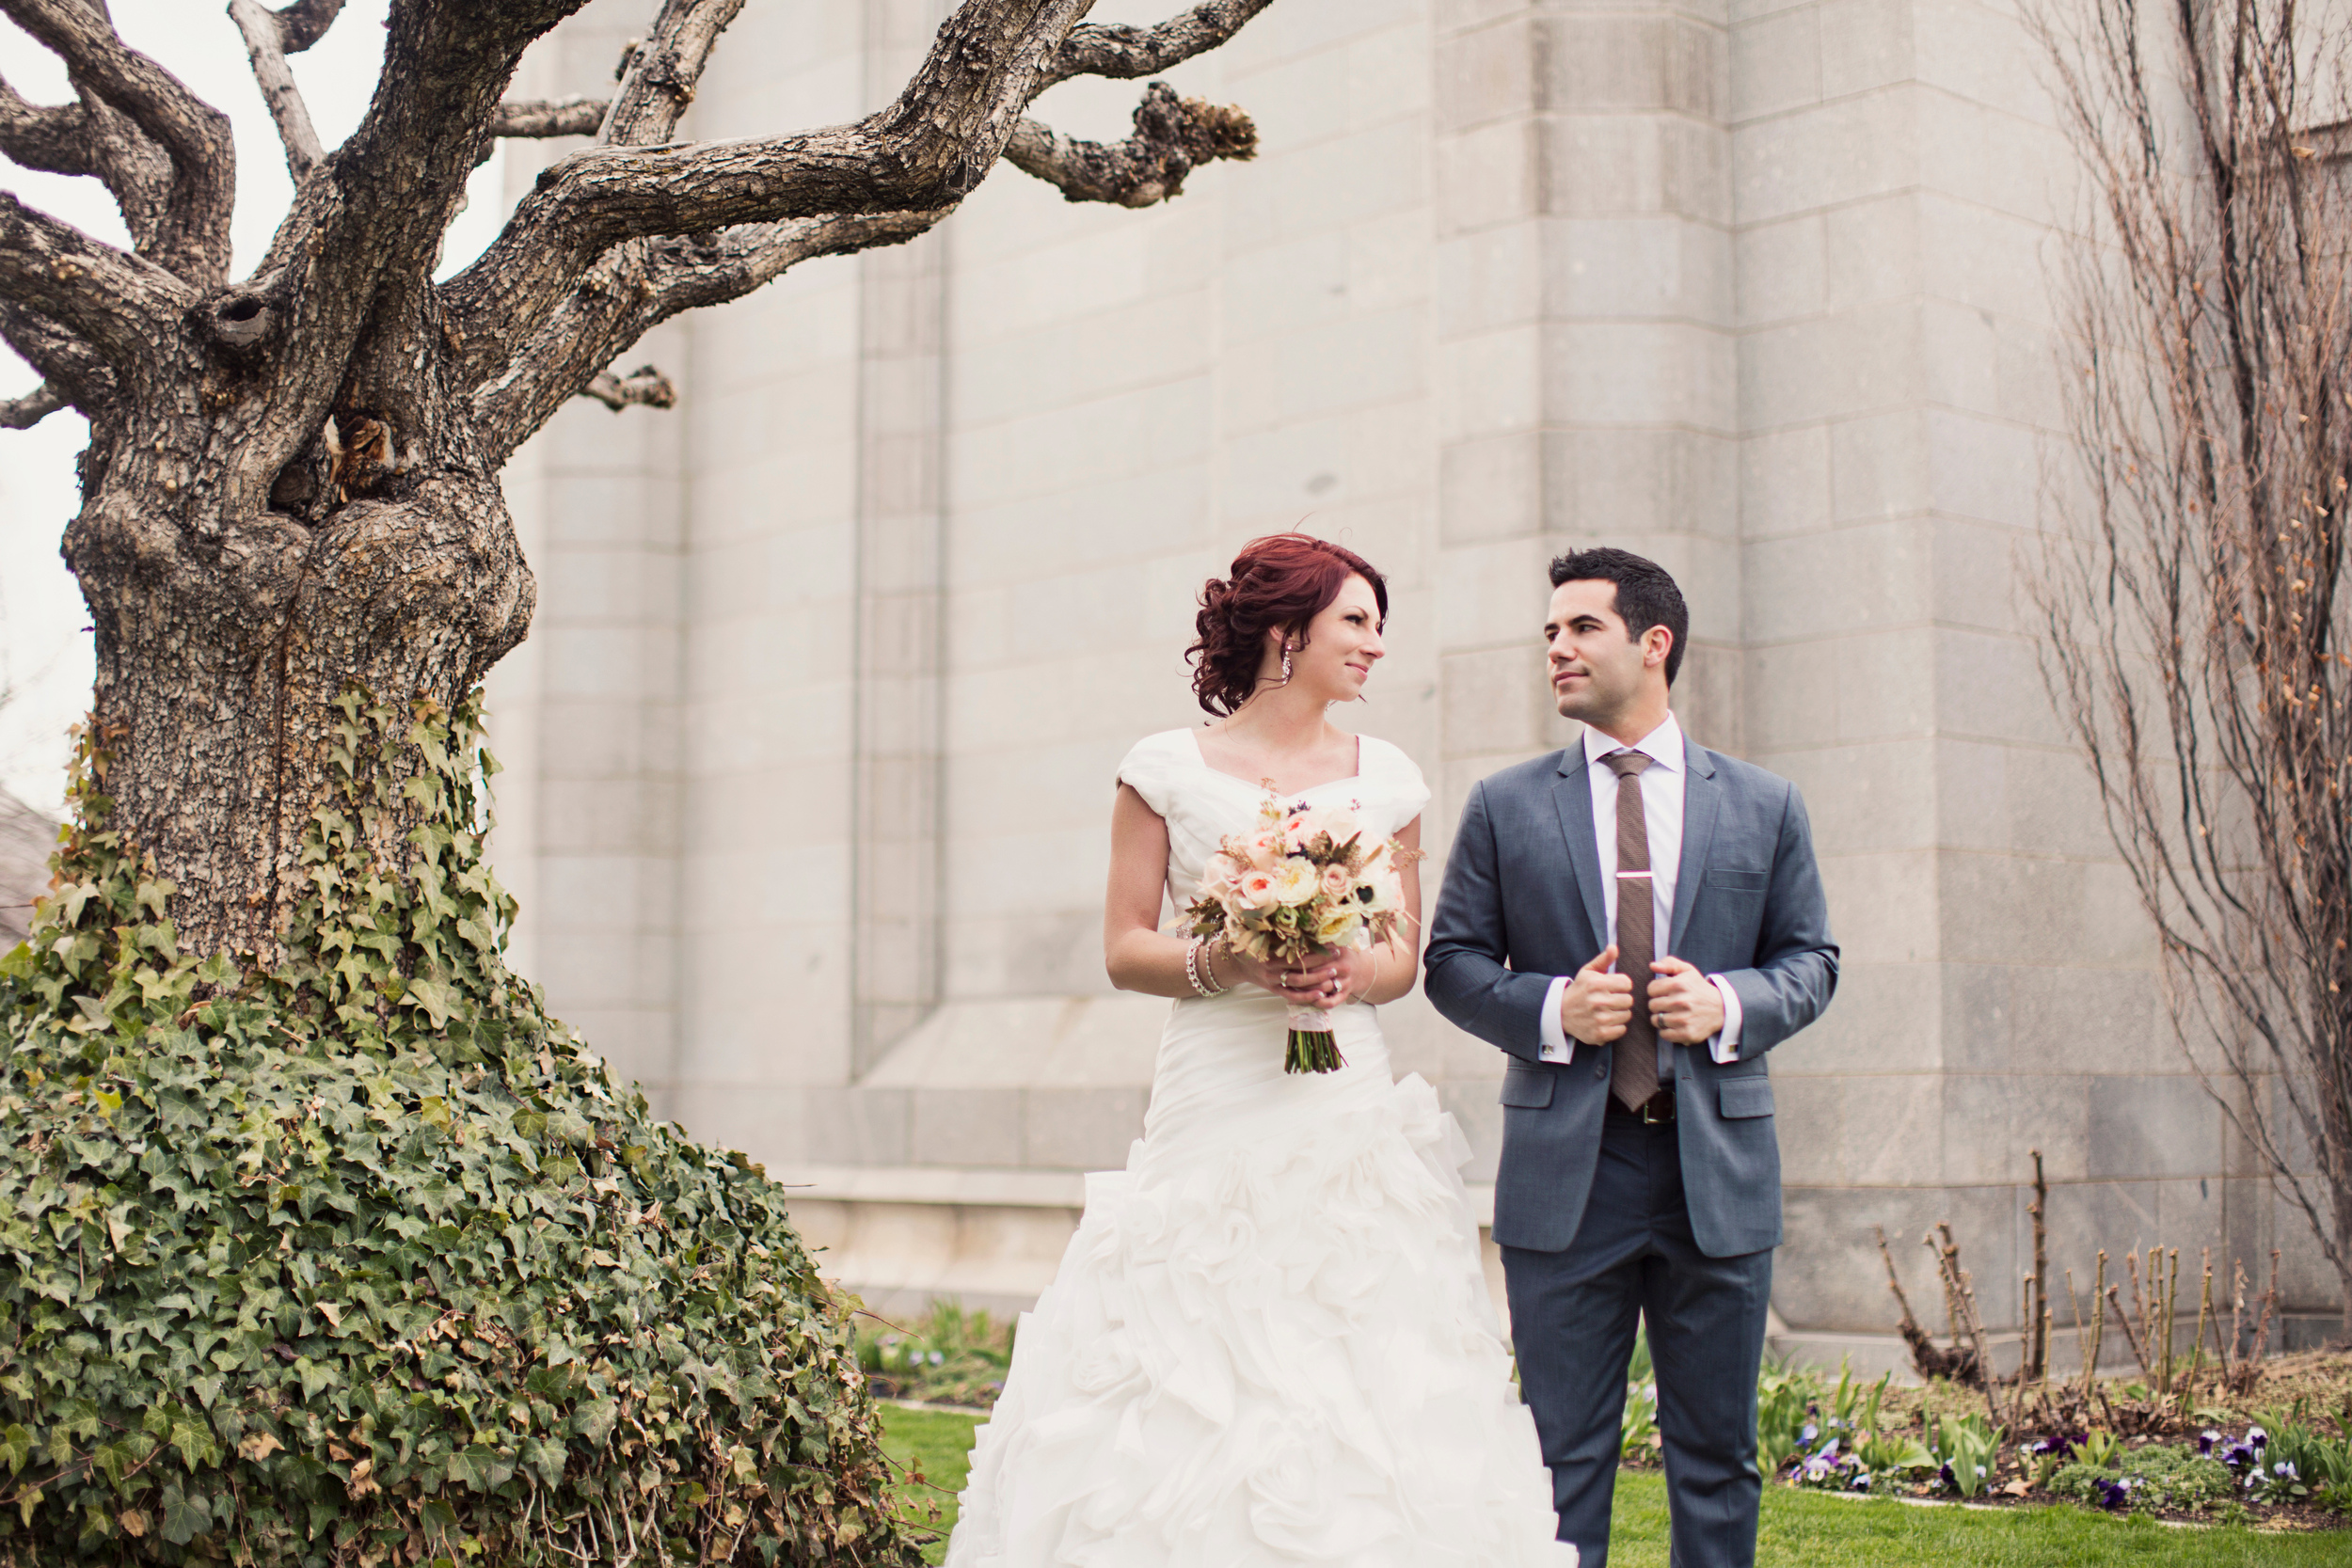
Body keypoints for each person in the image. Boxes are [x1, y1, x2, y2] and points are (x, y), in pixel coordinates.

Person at [947, 533, 1573, 1567]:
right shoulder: (1163, 769)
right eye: (1356, 622)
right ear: (1288, 631)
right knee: (1190, 1312)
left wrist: (1344, 974)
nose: (1376, 645)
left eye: (1379, 625)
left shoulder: (1391, 778)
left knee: (1355, 1326)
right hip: (1218, 1082)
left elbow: (1399, 954)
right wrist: (1230, 959)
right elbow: (1124, 947)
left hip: (1344, 1094)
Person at [1423, 548, 1838, 1568]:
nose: (1555, 648)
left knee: (1717, 1455)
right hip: (1571, 1171)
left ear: (1653, 644)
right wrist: (1559, 1004)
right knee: (1558, 1458)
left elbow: (1811, 960)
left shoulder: (1764, 803)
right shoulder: (1505, 803)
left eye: (1579, 628)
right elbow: (1450, 964)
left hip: (1718, 1169)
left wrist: (1726, 1001)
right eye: (1549, 634)